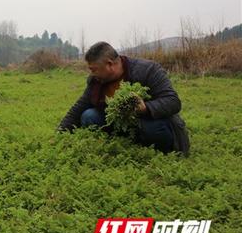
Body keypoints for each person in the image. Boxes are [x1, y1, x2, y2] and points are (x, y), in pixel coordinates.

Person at [58, 42, 190, 155]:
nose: (91, 74)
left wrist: (146, 108)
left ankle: (158, 151)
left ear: (109, 64)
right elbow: (79, 107)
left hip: (150, 122)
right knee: (89, 115)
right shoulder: (97, 81)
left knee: (151, 128)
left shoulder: (148, 69)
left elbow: (173, 101)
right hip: (122, 125)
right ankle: (123, 145)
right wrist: (60, 134)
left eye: (94, 69)